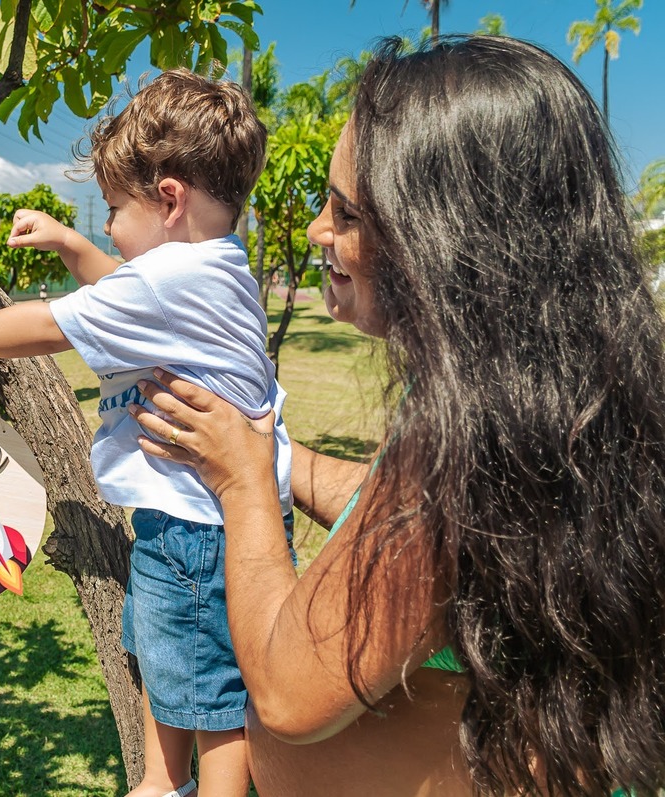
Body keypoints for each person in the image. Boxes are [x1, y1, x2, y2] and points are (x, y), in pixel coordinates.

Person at [129, 35, 665, 796]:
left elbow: (285, 692)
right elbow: (394, 513)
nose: (318, 230)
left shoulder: (466, 454)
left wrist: (244, 482)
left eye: (346, 212)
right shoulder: (544, 409)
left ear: (448, 240)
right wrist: (278, 455)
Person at [0, 69, 293, 797]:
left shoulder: (169, 281)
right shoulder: (216, 268)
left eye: (115, 209)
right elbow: (122, 285)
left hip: (196, 525)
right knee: (169, 654)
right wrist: (68, 243)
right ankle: (160, 781)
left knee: (213, 693)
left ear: (170, 201)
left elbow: (48, 324)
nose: (110, 227)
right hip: (215, 516)